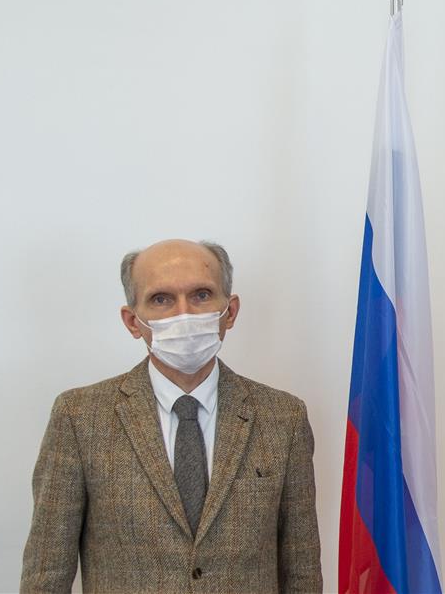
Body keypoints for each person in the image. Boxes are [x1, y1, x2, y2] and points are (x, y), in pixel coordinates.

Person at [21, 239, 322, 593]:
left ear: (230, 312)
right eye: (161, 299)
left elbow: (302, 571)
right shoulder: (80, 418)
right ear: (133, 321)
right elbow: (47, 573)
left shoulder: (283, 419)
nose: (184, 313)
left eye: (201, 295)